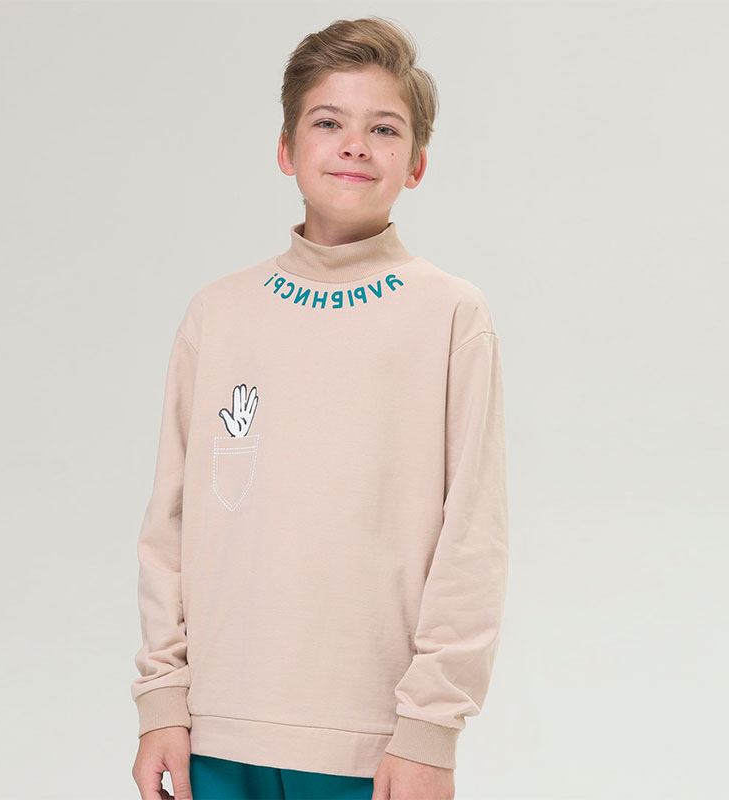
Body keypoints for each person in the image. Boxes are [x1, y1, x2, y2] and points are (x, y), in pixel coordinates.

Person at [131, 15, 509, 800]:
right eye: (329, 122)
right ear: (286, 149)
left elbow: (472, 538)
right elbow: (169, 524)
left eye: (384, 128)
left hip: (373, 745)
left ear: (417, 164)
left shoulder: (449, 315)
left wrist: (430, 729)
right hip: (216, 731)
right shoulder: (219, 313)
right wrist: (161, 698)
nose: (355, 145)